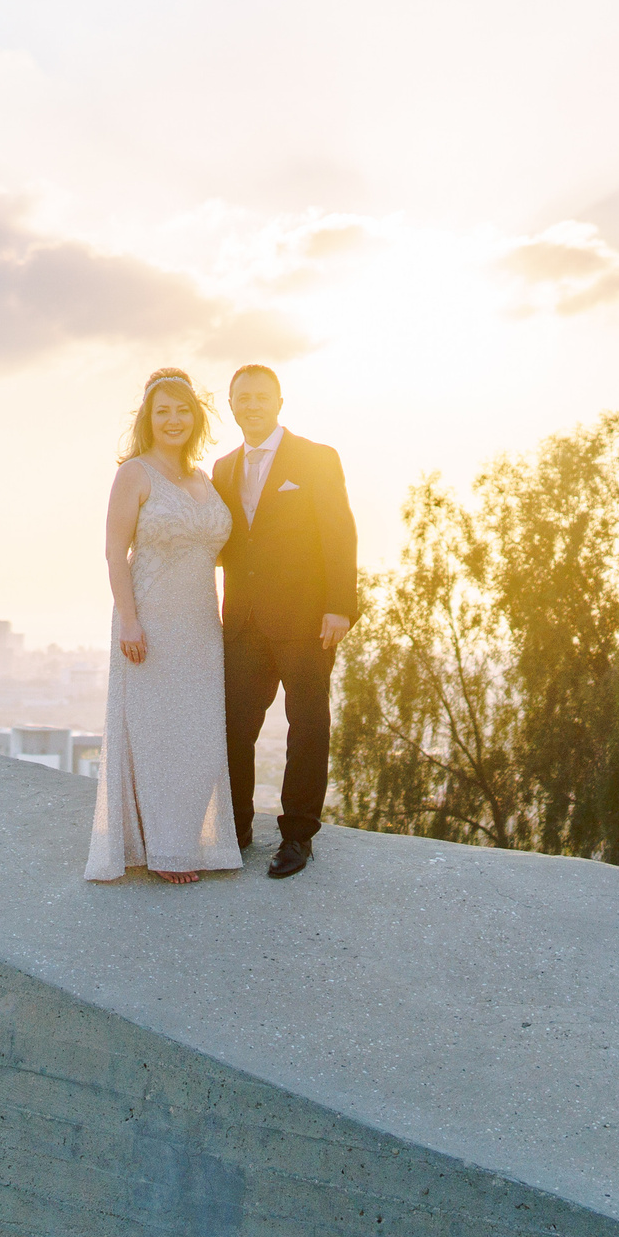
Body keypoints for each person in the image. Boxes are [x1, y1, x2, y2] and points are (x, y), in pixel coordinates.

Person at [85, 368, 242, 884]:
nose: (173, 419)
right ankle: (165, 851)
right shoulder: (134, 473)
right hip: (148, 622)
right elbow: (114, 554)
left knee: (197, 734)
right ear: (148, 420)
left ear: (196, 417)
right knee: (154, 734)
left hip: (201, 626)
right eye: (162, 411)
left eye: (182, 410)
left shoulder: (204, 479)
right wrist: (130, 622)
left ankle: (189, 836)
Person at [213, 364, 357, 879]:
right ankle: (236, 828)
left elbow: (339, 532)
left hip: (306, 619)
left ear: (278, 401)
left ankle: (297, 836)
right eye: (242, 398)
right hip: (243, 623)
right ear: (231, 406)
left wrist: (340, 605)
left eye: (260, 396)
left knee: (309, 725)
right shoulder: (223, 468)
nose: (251, 405)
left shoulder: (316, 459)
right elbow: (226, 544)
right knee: (233, 727)